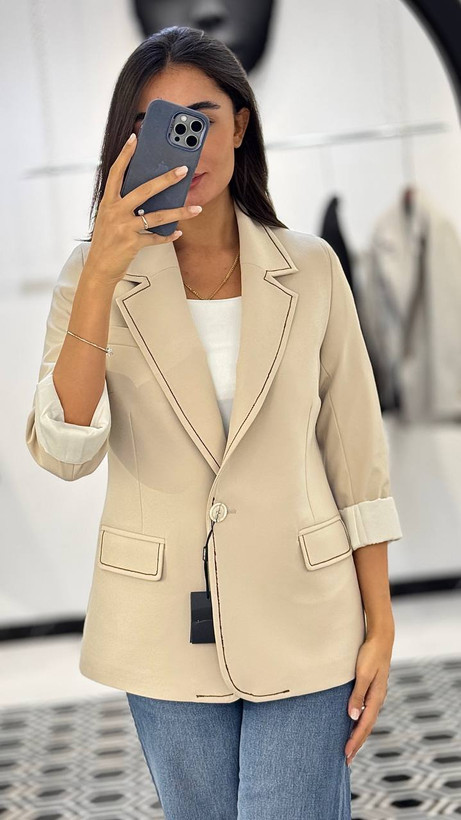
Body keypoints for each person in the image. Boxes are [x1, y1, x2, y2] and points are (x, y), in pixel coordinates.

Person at [25, 26, 403, 820]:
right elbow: (65, 448)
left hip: (307, 607)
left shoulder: (310, 267)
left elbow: (356, 457)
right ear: (128, 141)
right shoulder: (92, 277)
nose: (184, 143)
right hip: (161, 621)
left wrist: (380, 624)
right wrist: (100, 273)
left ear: (239, 126)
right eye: (155, 123)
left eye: (200, 118)